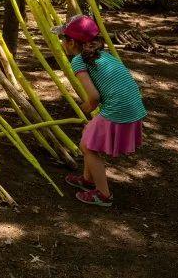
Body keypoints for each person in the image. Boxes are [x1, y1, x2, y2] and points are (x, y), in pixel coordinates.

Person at [52, 15, 147, 207]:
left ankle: (103, 194)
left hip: (119, 107)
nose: (61, 41)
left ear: (71, 42)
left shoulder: (79, 61)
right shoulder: (102, 55)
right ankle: (87, 180)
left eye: (63, 38)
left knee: (87, 147)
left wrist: (86, 108)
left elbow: (94, 97)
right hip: (132, 104)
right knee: (89, 136)